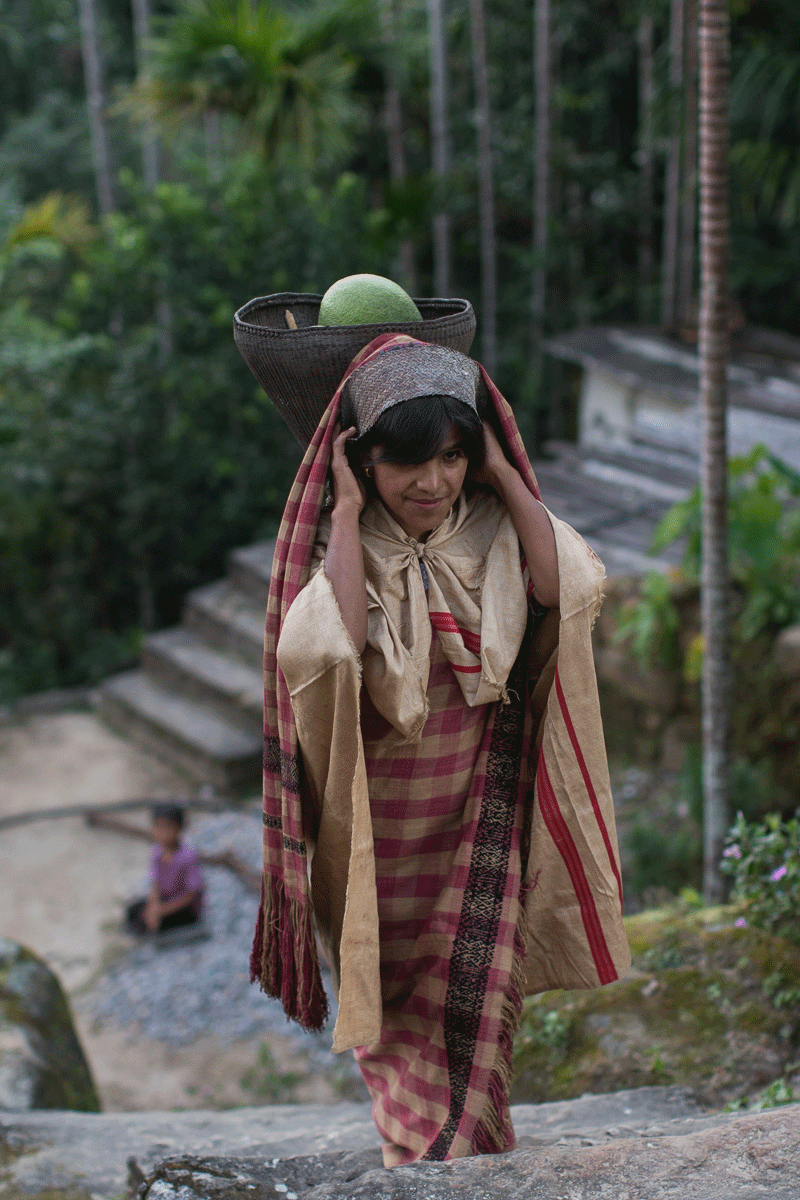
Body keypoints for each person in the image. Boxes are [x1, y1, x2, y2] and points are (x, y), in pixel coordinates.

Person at [250, 333, 629, 1166]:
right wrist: (348, 513)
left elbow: (570, 589)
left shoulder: (491, 525)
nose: (433, 482)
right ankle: (414, 1156)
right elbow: (330, 649)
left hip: (474, 813)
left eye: (452, 457)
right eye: (406, 464)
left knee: (475, 1014)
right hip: (379, 837)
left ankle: (457, 1159)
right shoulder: (341, 548)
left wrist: (502, 472)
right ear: (361, 463)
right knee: (392, 1008)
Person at [126, 804, 204, 935]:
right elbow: (155, 883)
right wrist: (154, 906)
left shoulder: (187, 857)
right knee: (133, 910)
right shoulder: (156, 852)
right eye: (157, 826)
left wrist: (161, 910)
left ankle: (152, 929)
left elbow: (191, 895)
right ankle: (148, 926)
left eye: (167, 827)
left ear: (179, 828)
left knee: (159, 920)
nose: (161, 832)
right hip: (165, 899)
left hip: (184, 907)